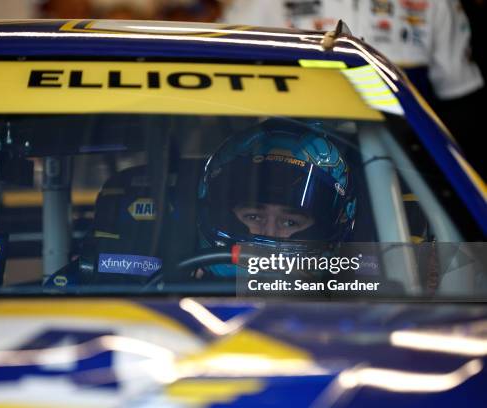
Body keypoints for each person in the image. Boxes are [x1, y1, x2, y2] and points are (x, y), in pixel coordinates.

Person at [220, 0, 485, 173]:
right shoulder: (256, 4)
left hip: (403, 173)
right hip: (286, 173)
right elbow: (220, 92)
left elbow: (461, 102)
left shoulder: (435, 4)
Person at [197, 118, 357, 277]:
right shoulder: (179, 294)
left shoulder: (360, 299)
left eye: (290, 222)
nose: (270, 233)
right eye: (253, 217)